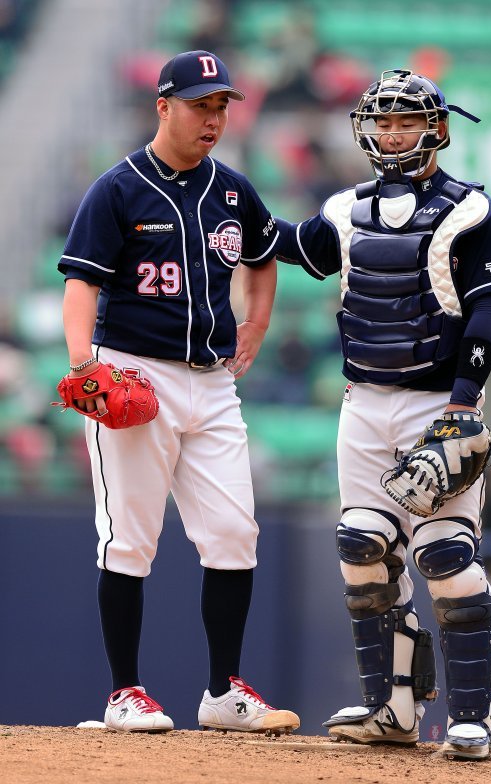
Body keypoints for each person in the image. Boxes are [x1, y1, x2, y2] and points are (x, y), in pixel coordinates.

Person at [274, 69, 491, 760]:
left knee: (445, 554)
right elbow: (296, 246)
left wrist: (464, 407)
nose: (392, 132)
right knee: (361, 548)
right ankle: (393, 708)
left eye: (407, 120)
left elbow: (487, 309)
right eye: (382, 120)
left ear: (437, 129)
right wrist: (234, 214)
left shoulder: (470, 209)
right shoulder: (344, 207)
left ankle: (475, 718)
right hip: (363, 404)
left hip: (436, 402)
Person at [58, 49, 300, 735]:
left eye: (222, 105)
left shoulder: (233, 190)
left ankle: (223, 692)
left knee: (233, 534)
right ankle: (123, 693)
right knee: (129, 541)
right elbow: (81, 282)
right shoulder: (119, 188)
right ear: (163, 106)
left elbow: (262, 258)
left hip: (213, 382)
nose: (214, 117)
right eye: (201, 104)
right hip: (135, 373)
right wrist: (83, 362)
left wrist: (256, 322)